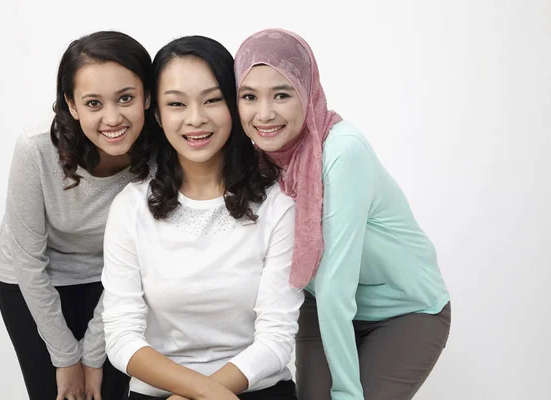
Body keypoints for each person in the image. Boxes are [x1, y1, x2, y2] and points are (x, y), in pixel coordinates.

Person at [234, 28, 451, 400]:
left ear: (308, 91)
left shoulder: (342, 151)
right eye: (249, 96)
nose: (264, 113)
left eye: (282, 94)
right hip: (320, 308)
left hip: (405, 311)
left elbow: (336, 284)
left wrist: (348, 393)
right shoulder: (259, 159)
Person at [101, 35, 303, 400]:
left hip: (255, 389)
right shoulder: (130, 208)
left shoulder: (277, 206)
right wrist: (196, 392)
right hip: (158, 393)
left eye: (212, 100)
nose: (196, 119)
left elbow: (276, 338)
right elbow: (120, 336)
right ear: (158, 115)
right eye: (177, 104)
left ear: (235, 104)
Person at [0, 30, 154, 400]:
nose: (112, 118)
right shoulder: (36, 148)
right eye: (94, 103)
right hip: (31, 279)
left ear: (147, 96)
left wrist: (94, 356)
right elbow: (27, 260)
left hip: (117, 279)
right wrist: (67, 358)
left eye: (126, 98)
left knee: (110, 392)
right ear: (71, 104)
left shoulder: (161, 158)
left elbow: (139, 262)